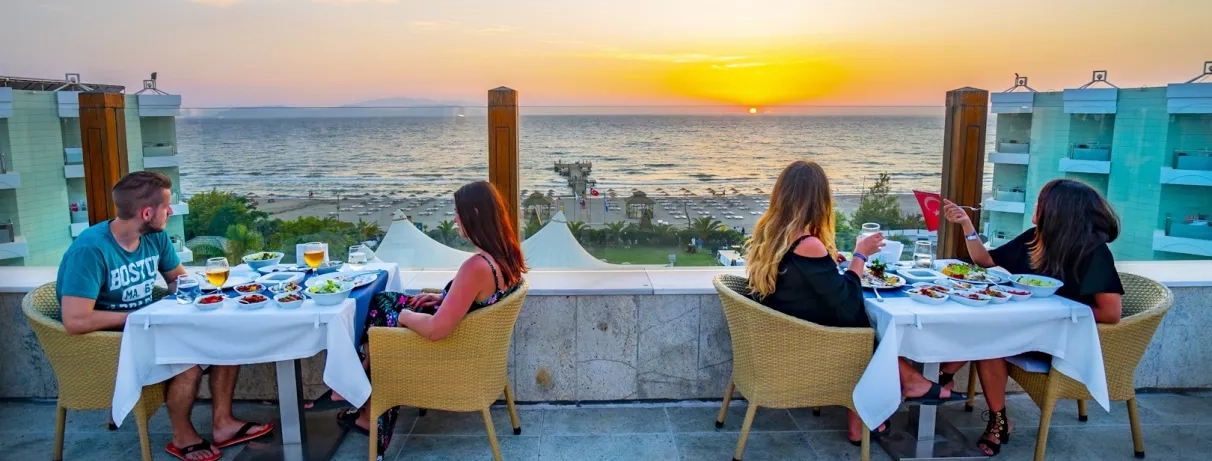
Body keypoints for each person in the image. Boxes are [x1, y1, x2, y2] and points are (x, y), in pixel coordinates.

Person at [744, 160, 965, 447]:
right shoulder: (807, 243)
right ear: (818, 201)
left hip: (785, 333)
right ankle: (907, 383)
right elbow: (849, 303)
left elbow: (799, 278)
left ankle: (879, 408)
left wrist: (826, 265)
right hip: (810, 344)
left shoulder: (771, 233)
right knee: (860, 325)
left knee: (861, 328)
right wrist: (859, 255)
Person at [56, 171, 271, 461]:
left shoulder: (154, 237)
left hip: (148, 326)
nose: (170, 211)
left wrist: (214, 293)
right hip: (109, 341)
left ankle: (224, 424)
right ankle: (182, 436)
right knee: (188, 361)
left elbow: (178, 281)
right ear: (147, 212)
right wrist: (139, 315)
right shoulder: (91, 250)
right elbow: (75, 320)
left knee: (223, 334)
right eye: (166, 206)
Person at [306, 180, 527, 461]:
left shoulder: (476, 267)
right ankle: (358, 386)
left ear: (474, 214)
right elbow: (477, 301)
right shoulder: (505, 256)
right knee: (382, 300)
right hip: (471, 349)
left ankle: (364, 402)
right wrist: (444, 298)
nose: (454, 218)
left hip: (447, 352)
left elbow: (436, 331)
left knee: (384, 315)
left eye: (458, 212)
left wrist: (404, 316)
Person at [941, 178, 1124, 456]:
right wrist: (967, 225)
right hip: (1029, 331)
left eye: (1041, 202)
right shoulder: (1036, 237)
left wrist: (1055, 311)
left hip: (1064, 342)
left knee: (989, 340)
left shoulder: (1093, 252)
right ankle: (995, 417)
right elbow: (987, 263)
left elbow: (1111, 313)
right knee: (986, 332)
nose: (1036, 206)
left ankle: (943, 379)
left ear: (1058, 210)